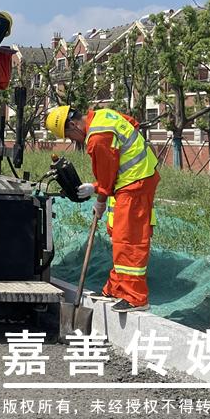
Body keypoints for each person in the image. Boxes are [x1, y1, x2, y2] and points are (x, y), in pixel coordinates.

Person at [45, 104, 160, 313]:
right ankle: (117, 288)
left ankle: (135, 297)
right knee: (118, 234)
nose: (73, 141)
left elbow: (108, 172)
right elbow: (131, 124)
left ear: (73, 125)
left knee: (130, 240)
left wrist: (99, 197)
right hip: (127, 183)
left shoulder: (98, 137)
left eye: (70, 136)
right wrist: (98, 188)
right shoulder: (102, 115)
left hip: (135, 183)